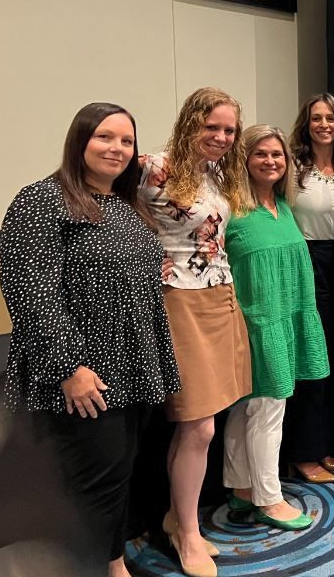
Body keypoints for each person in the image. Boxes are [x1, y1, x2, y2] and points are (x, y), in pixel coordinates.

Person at [0, 102, 181, 577]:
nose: (117, 148)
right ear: (80, 140)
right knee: (92, 480)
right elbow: (30, 290)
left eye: (126, 141)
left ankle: (113, 562)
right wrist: (69, 368)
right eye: (105, 136)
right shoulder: (42, 199)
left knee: (118, 474)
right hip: (83, 369)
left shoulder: (123, 206)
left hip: (130, 364)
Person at [140, 87, 252, 577]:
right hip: (176, 299)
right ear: (191, 122)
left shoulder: (216, 173)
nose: (222, 137)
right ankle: (186, 533)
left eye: (229, 130)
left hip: (220, 297)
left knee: (203, 424)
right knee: (198, 423)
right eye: (212, 127)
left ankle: (177, 518)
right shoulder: (151, 167)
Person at [222, 125, 328, 531]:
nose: (270, 161)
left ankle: (242, 487)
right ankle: (270, 497)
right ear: (244, 159)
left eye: (277, 155)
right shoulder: (232, 209)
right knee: (267, 409)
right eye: (261, 154)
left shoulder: (283, 206)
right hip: (253, 325)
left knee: (249, 408)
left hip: (288, 317)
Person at [287, 93, 334, 482]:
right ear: (307, 123)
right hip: (307, 261)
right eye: (316, 118)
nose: (324, 124)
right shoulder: (293, 166)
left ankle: (325, 446)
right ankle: (304, 453)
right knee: (311, 359)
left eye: (330, 117)